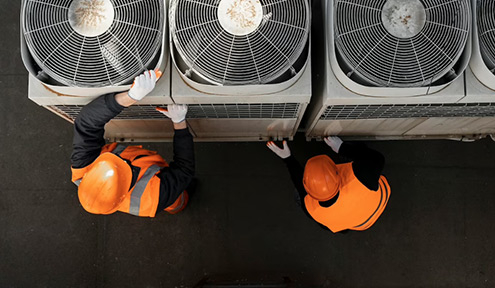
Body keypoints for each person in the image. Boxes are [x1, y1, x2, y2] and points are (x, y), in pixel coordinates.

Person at [71, 70, 194, 217]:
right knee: (176, 198)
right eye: (123, 165)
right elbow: (184, 169)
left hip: (150, 171)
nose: (122, 160)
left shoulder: (83, 167)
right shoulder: (152, 199)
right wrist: (179, 123)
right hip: (165, 194)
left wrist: (130, 96)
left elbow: (86, 123)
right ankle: (179, 204)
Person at [267, 137, 390, 233]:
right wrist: (342, 148)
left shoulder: (313, 210)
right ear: (337, 175)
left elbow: (299, 184)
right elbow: (377, 158)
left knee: (299, 195)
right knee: (361, 155)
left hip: (358, 224)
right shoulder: (360, 176)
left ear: (307, 187)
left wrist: (288, 158)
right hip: (377, 202)